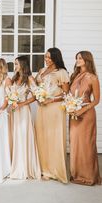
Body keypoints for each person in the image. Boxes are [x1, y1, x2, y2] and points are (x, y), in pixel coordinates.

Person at [35, 48, 69, 183]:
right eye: (45, 57)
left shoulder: (61, 72)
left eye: (49, 57)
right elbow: (37, 88)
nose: (46, 59)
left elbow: (66, 93)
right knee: (42, 137)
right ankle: (44, 169)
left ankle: (55, 170)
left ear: (56, 57)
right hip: (42, 108)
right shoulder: (42, 71)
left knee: (54, 138)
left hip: (55, 108)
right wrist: (39, 98)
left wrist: (52, 99)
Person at [69, 51, 101, 185]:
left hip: (87, 115)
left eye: (80, 58)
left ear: (87, 60)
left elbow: (96, 100)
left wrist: (82, 109)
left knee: (87, 145)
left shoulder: (92, 77)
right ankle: (76, 174)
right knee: (75, 144)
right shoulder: (75, 76)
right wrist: (70, 107)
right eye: (76, 58)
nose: (77, 60)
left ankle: (88, 176)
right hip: (74, 115)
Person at [10, 55, 41, 180]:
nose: (15, 66)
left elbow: (36, 96)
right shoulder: (15, 77)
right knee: (15, 136)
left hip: (23, 111)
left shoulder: (29, 78)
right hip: (14, 111)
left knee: (23, 136)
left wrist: (21, 104)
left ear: (23, 65)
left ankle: (24, 167)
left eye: (16, 64)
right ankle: (15, 164)